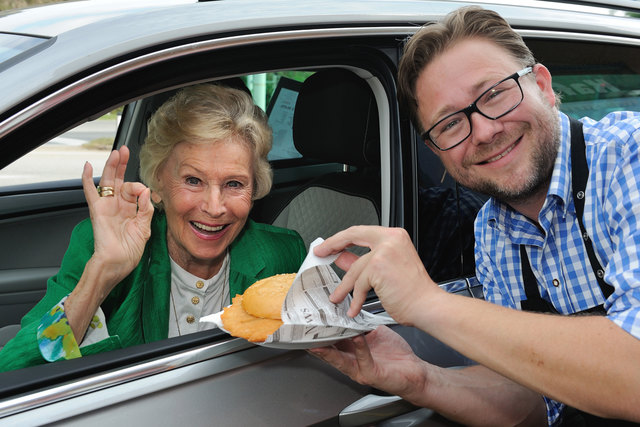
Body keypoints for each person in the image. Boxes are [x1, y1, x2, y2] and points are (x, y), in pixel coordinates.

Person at [309, 6, 640, 426]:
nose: (484, 131)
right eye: (450, 123)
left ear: (542, 85)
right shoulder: (490, 230)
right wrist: (420, 380)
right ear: (437, 153)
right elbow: (540, 400)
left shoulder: (630, 157)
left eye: (495, 94)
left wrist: (427, 302)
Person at [0, 83, 306, 372]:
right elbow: (15, 373)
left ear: (254, 190)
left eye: (234, 184)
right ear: (157, 183)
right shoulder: (98, 246)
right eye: (193, 180)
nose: (214, 207)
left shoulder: (284, 254)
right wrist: (102, 274)